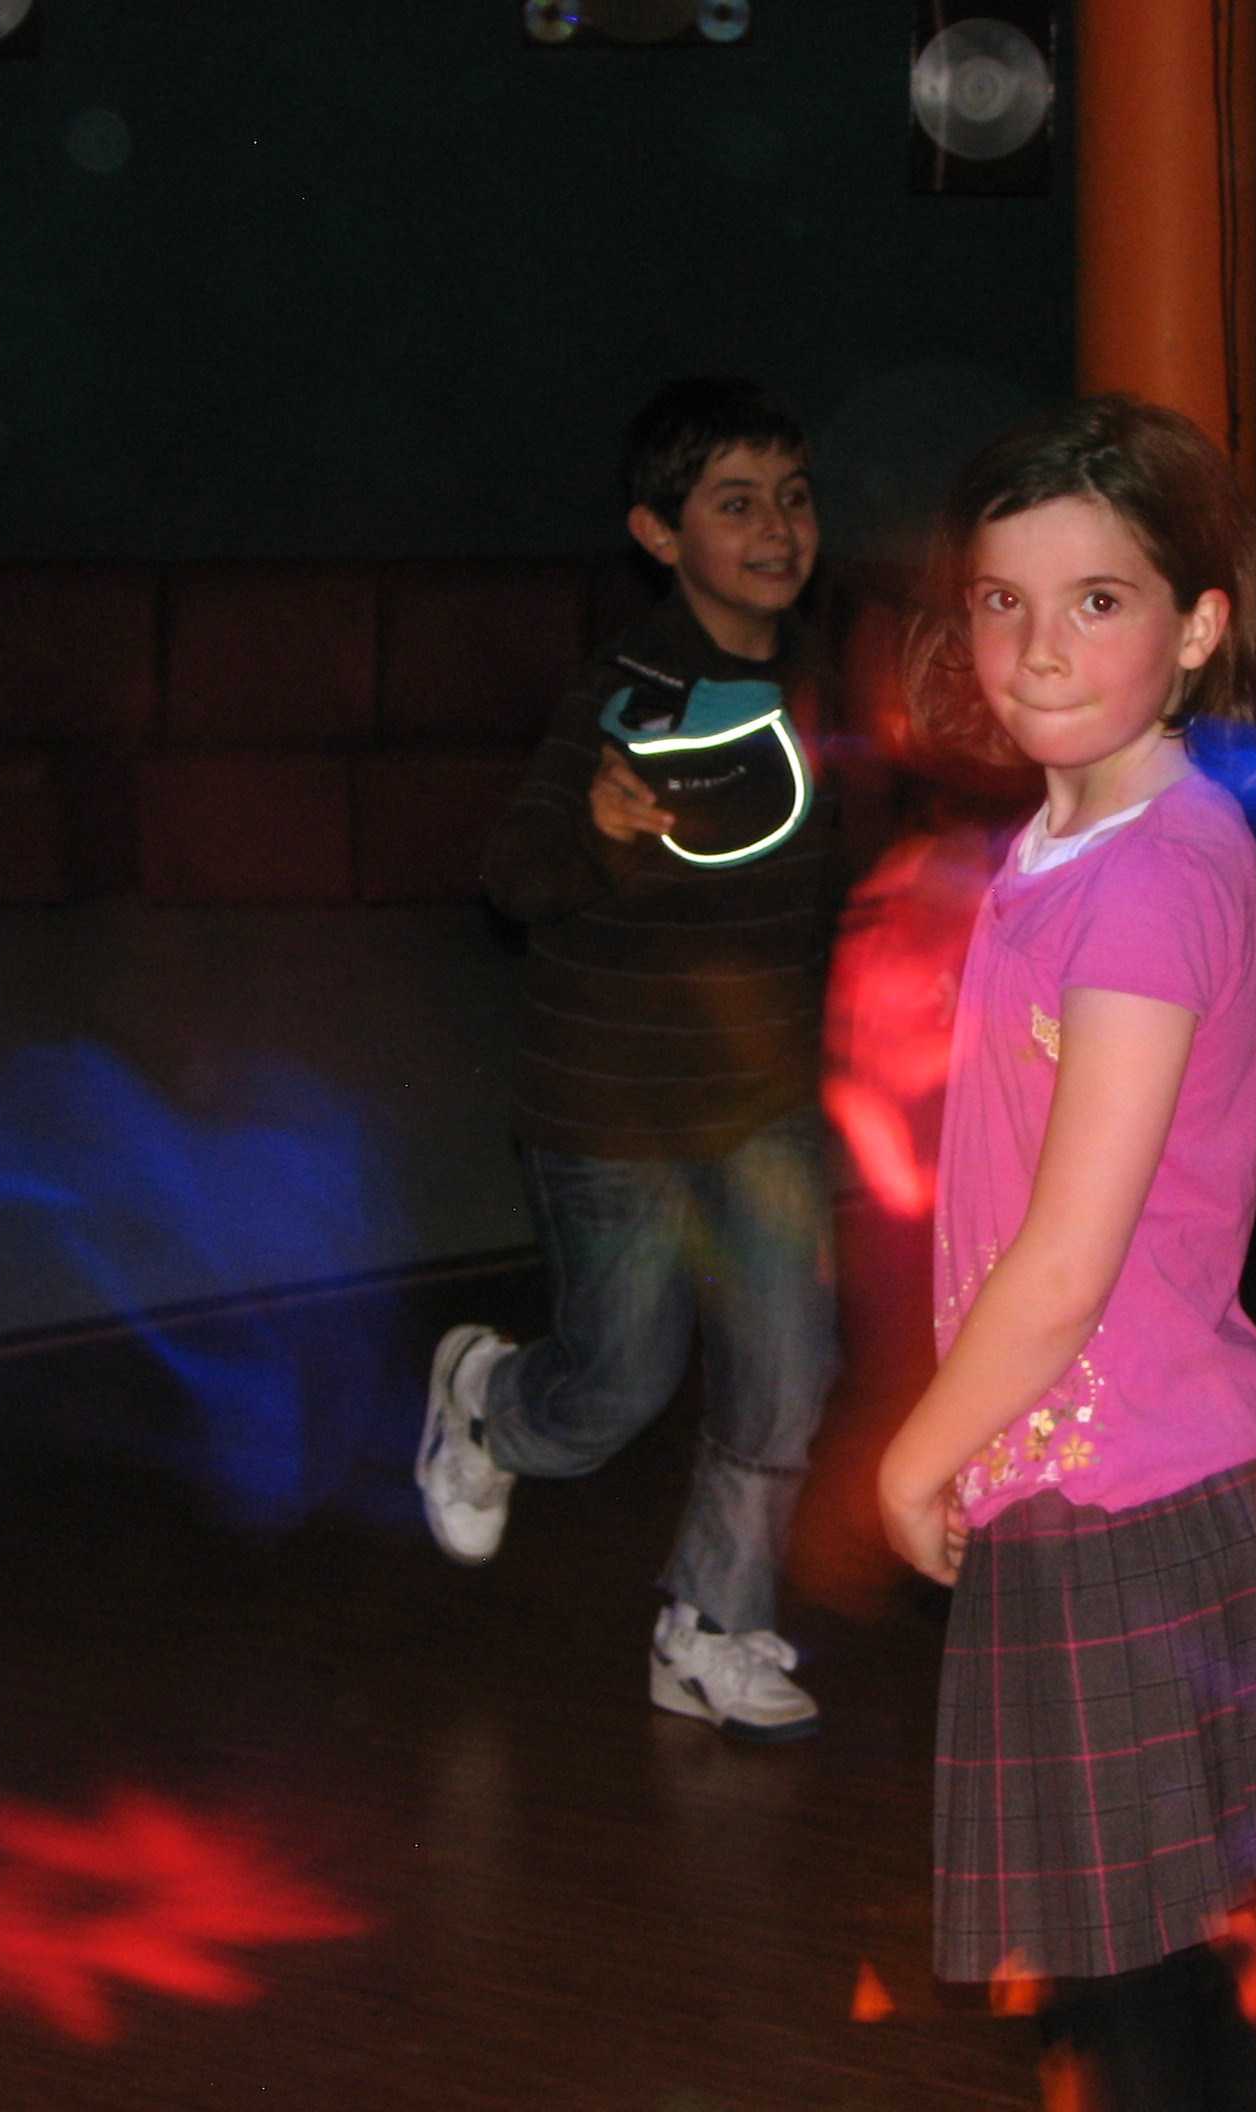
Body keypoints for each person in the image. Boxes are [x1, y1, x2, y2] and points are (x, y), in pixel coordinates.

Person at [879, 396, 1256, 2108]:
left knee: (1143, 1994)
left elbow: (1066, 1262)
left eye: (1098, 601)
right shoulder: (1070, 846)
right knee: (1153, 1982)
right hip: (1107, 1462)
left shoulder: (1146, 884)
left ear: (1195, 629)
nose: (1039, 645)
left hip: (1122, 1489)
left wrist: (914, 1453)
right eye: (1004, 600)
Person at [416, 377, 843, 1741]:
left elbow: (842, 874)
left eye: (792, 498)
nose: (776, 528)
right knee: (616, 1386)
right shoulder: (624, 692)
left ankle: (709, 1630)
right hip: (610, 1111)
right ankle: (488, 1402)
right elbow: (514, 875)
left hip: (762, 1105)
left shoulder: (827, 681)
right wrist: (598, 833)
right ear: (660, 536)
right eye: (736, 504)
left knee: (786, 1375)